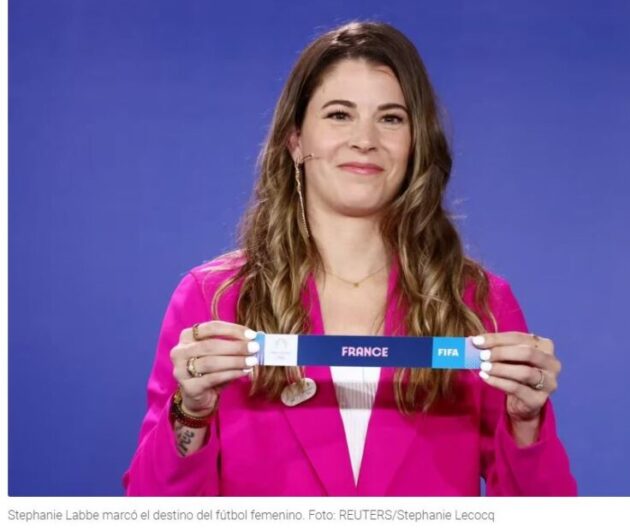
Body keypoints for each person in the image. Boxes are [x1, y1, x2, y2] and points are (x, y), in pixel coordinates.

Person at [123, 20, 577, 496]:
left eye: (391, 118)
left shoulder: (478, 304)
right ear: (296, 140)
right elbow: (151, 512)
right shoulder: (214, 299)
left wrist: (527, 422)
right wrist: (191, 411)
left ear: (415, 143)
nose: (365, 139)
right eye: (339, 114)